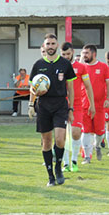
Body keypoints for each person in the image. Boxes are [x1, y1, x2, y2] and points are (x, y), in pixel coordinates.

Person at [28, 34, 76, 187]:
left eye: (53, 43)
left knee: (60, 139)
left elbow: (71, 89)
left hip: (60, 105)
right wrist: (31, 104)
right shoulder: (38, 65)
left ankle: (58, 168)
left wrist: (71, 108)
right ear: (44, 46)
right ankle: (50, 176)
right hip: (43, 106)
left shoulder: (65, 64)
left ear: (57, 45)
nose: (50, 46)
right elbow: (32, 87)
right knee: (47, 142)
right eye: (47, 43)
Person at [60, 42, 95, 172]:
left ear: (73, 52)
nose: (66, 56)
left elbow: (87, 86)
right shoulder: (58, 66)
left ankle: (74, 160)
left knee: (75, 132)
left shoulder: (81, 67)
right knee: (61, 135)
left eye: (68, 54)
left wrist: (92, 104)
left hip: (77, 105)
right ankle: (65, 163)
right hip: (61, 104)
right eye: (63, 54)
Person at [80, 44, 109, 164]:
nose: (84, 55)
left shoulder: (103, 67)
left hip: (99, 105)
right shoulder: (82, 67)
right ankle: (87, 157)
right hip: (85, 105)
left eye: (86, 53)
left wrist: (108, 99)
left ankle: (97, 145)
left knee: (99, 133)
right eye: (83, 53)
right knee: (86, 131)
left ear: (94, 54)